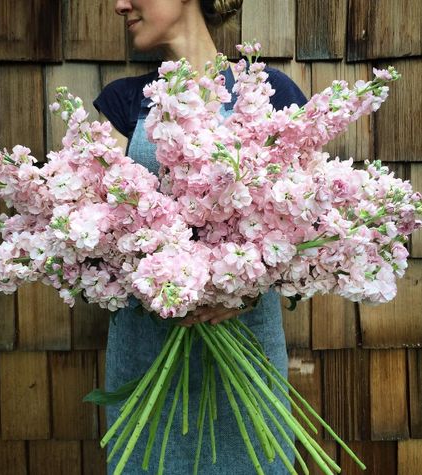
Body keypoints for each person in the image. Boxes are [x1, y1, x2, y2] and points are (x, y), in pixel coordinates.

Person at [93, 1, 307, 473]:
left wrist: (245, 288)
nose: (119, 5)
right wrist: (153, 273)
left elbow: (308, 222)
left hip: (245, 344)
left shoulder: (271, 94)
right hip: (147, 347)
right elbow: (88, 222)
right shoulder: (124, 102)